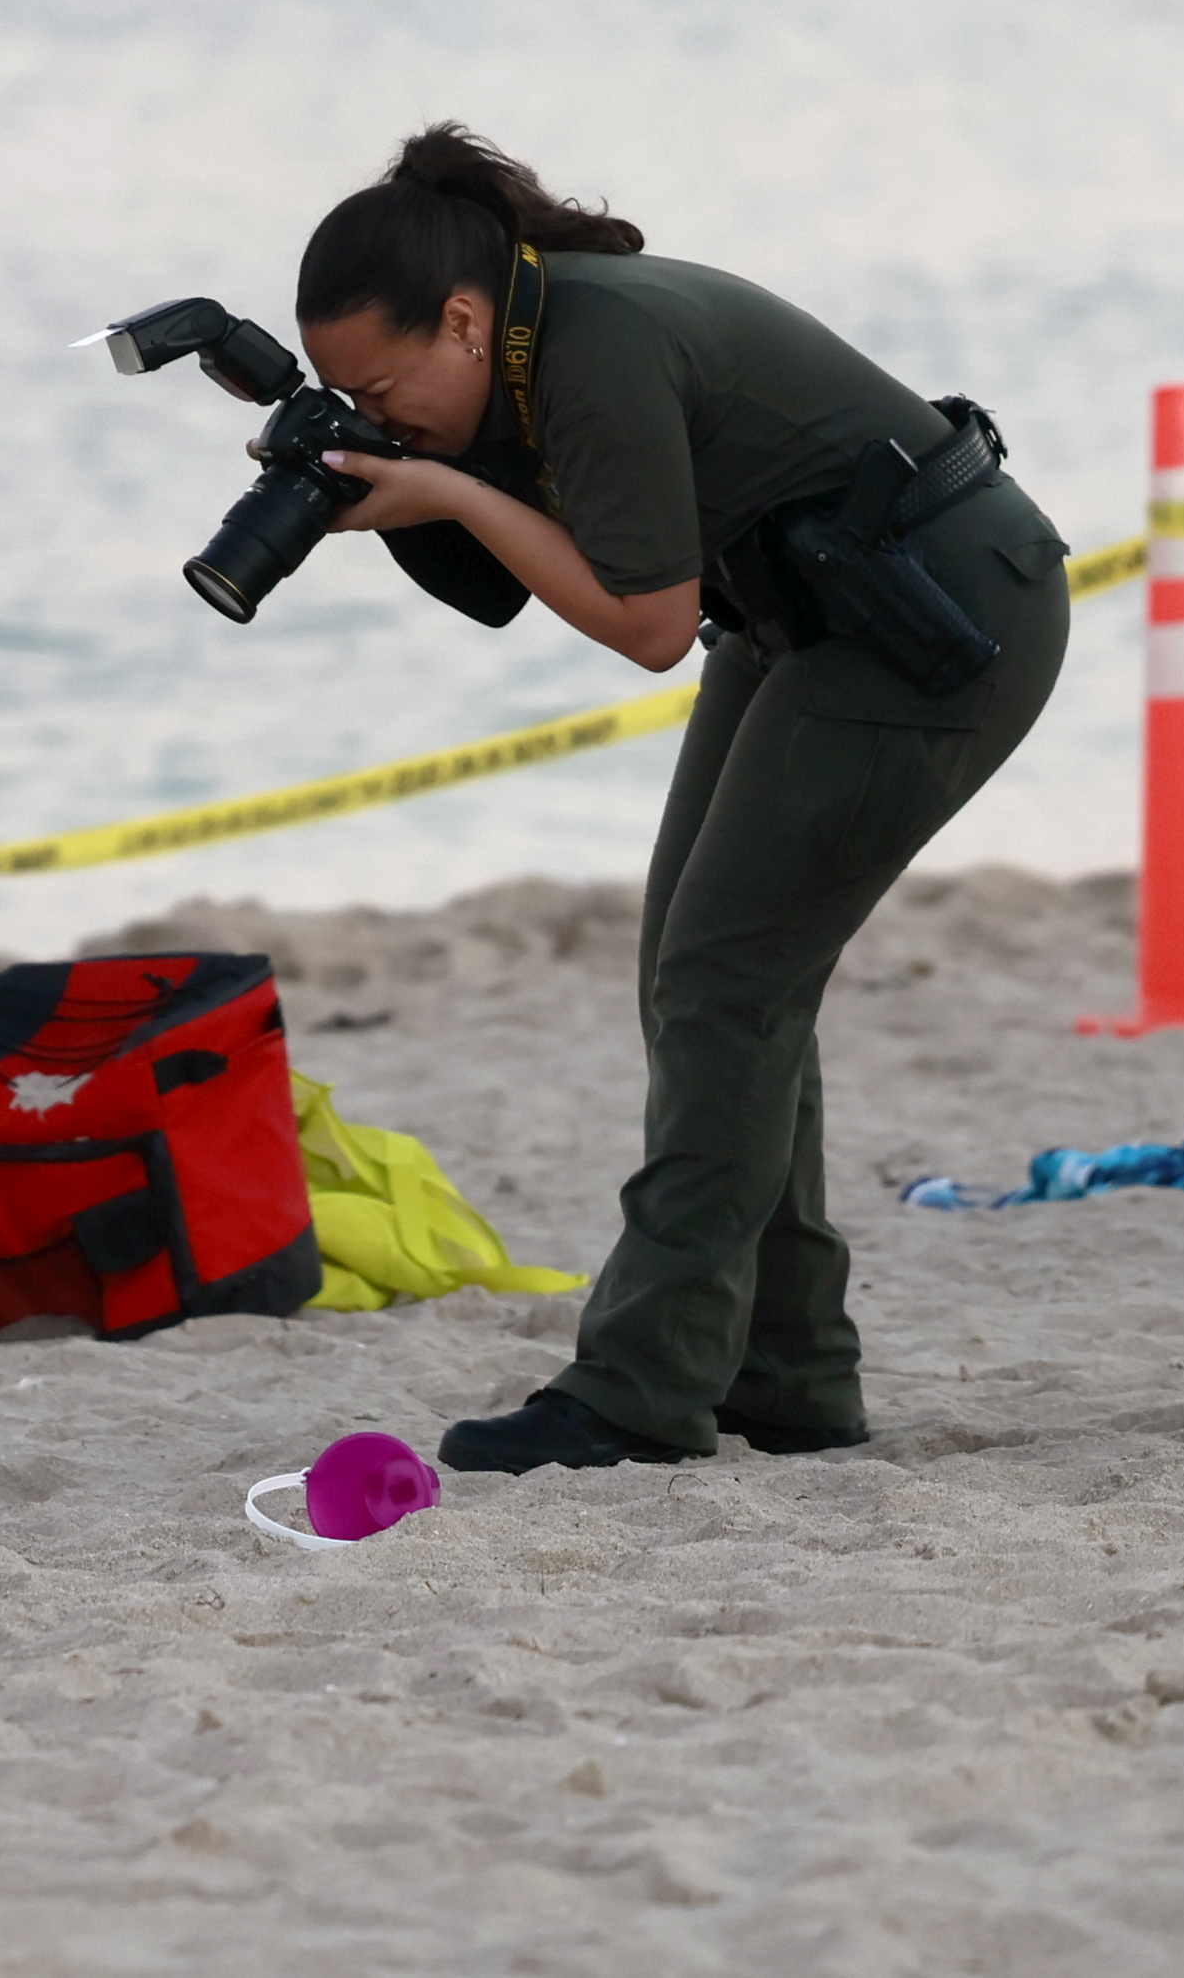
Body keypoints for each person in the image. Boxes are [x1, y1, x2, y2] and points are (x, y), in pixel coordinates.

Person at [256, 126, 1068, 1476]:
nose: (379, 414)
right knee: (699, 976)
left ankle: (639, 1390)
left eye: (385, 386)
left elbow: (641, 623)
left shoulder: (595, 342)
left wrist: (446, 485)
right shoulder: (524, 342)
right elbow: (544, 571)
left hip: (938, 622)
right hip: (806, 616)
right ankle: (787, 1372)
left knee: (725, 978)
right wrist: (395, 473)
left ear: (462, 321)